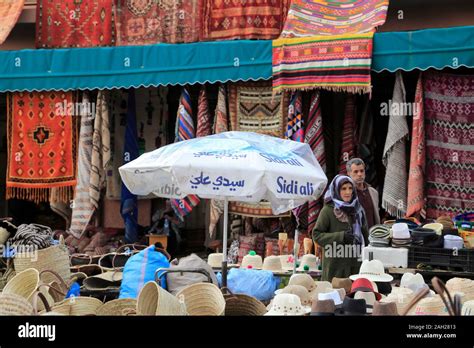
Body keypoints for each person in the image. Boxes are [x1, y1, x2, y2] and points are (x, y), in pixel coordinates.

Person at [313, 175, 369, 282]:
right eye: (343, 189)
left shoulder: (358, 210)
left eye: (350, 188)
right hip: (335, 270)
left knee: (353, 297)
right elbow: (316, 235)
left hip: (355, 267)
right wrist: (341, 236)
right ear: (336, 190)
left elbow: (366, 237)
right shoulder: (328, 211)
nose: (348, 192)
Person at [346, 158, 380, 228]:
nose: (359, 174)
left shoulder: (373, 192)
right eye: (355, 172)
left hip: (373, 235)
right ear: (349, 173)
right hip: (356, 236)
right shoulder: (346, 194)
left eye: (362, 171)